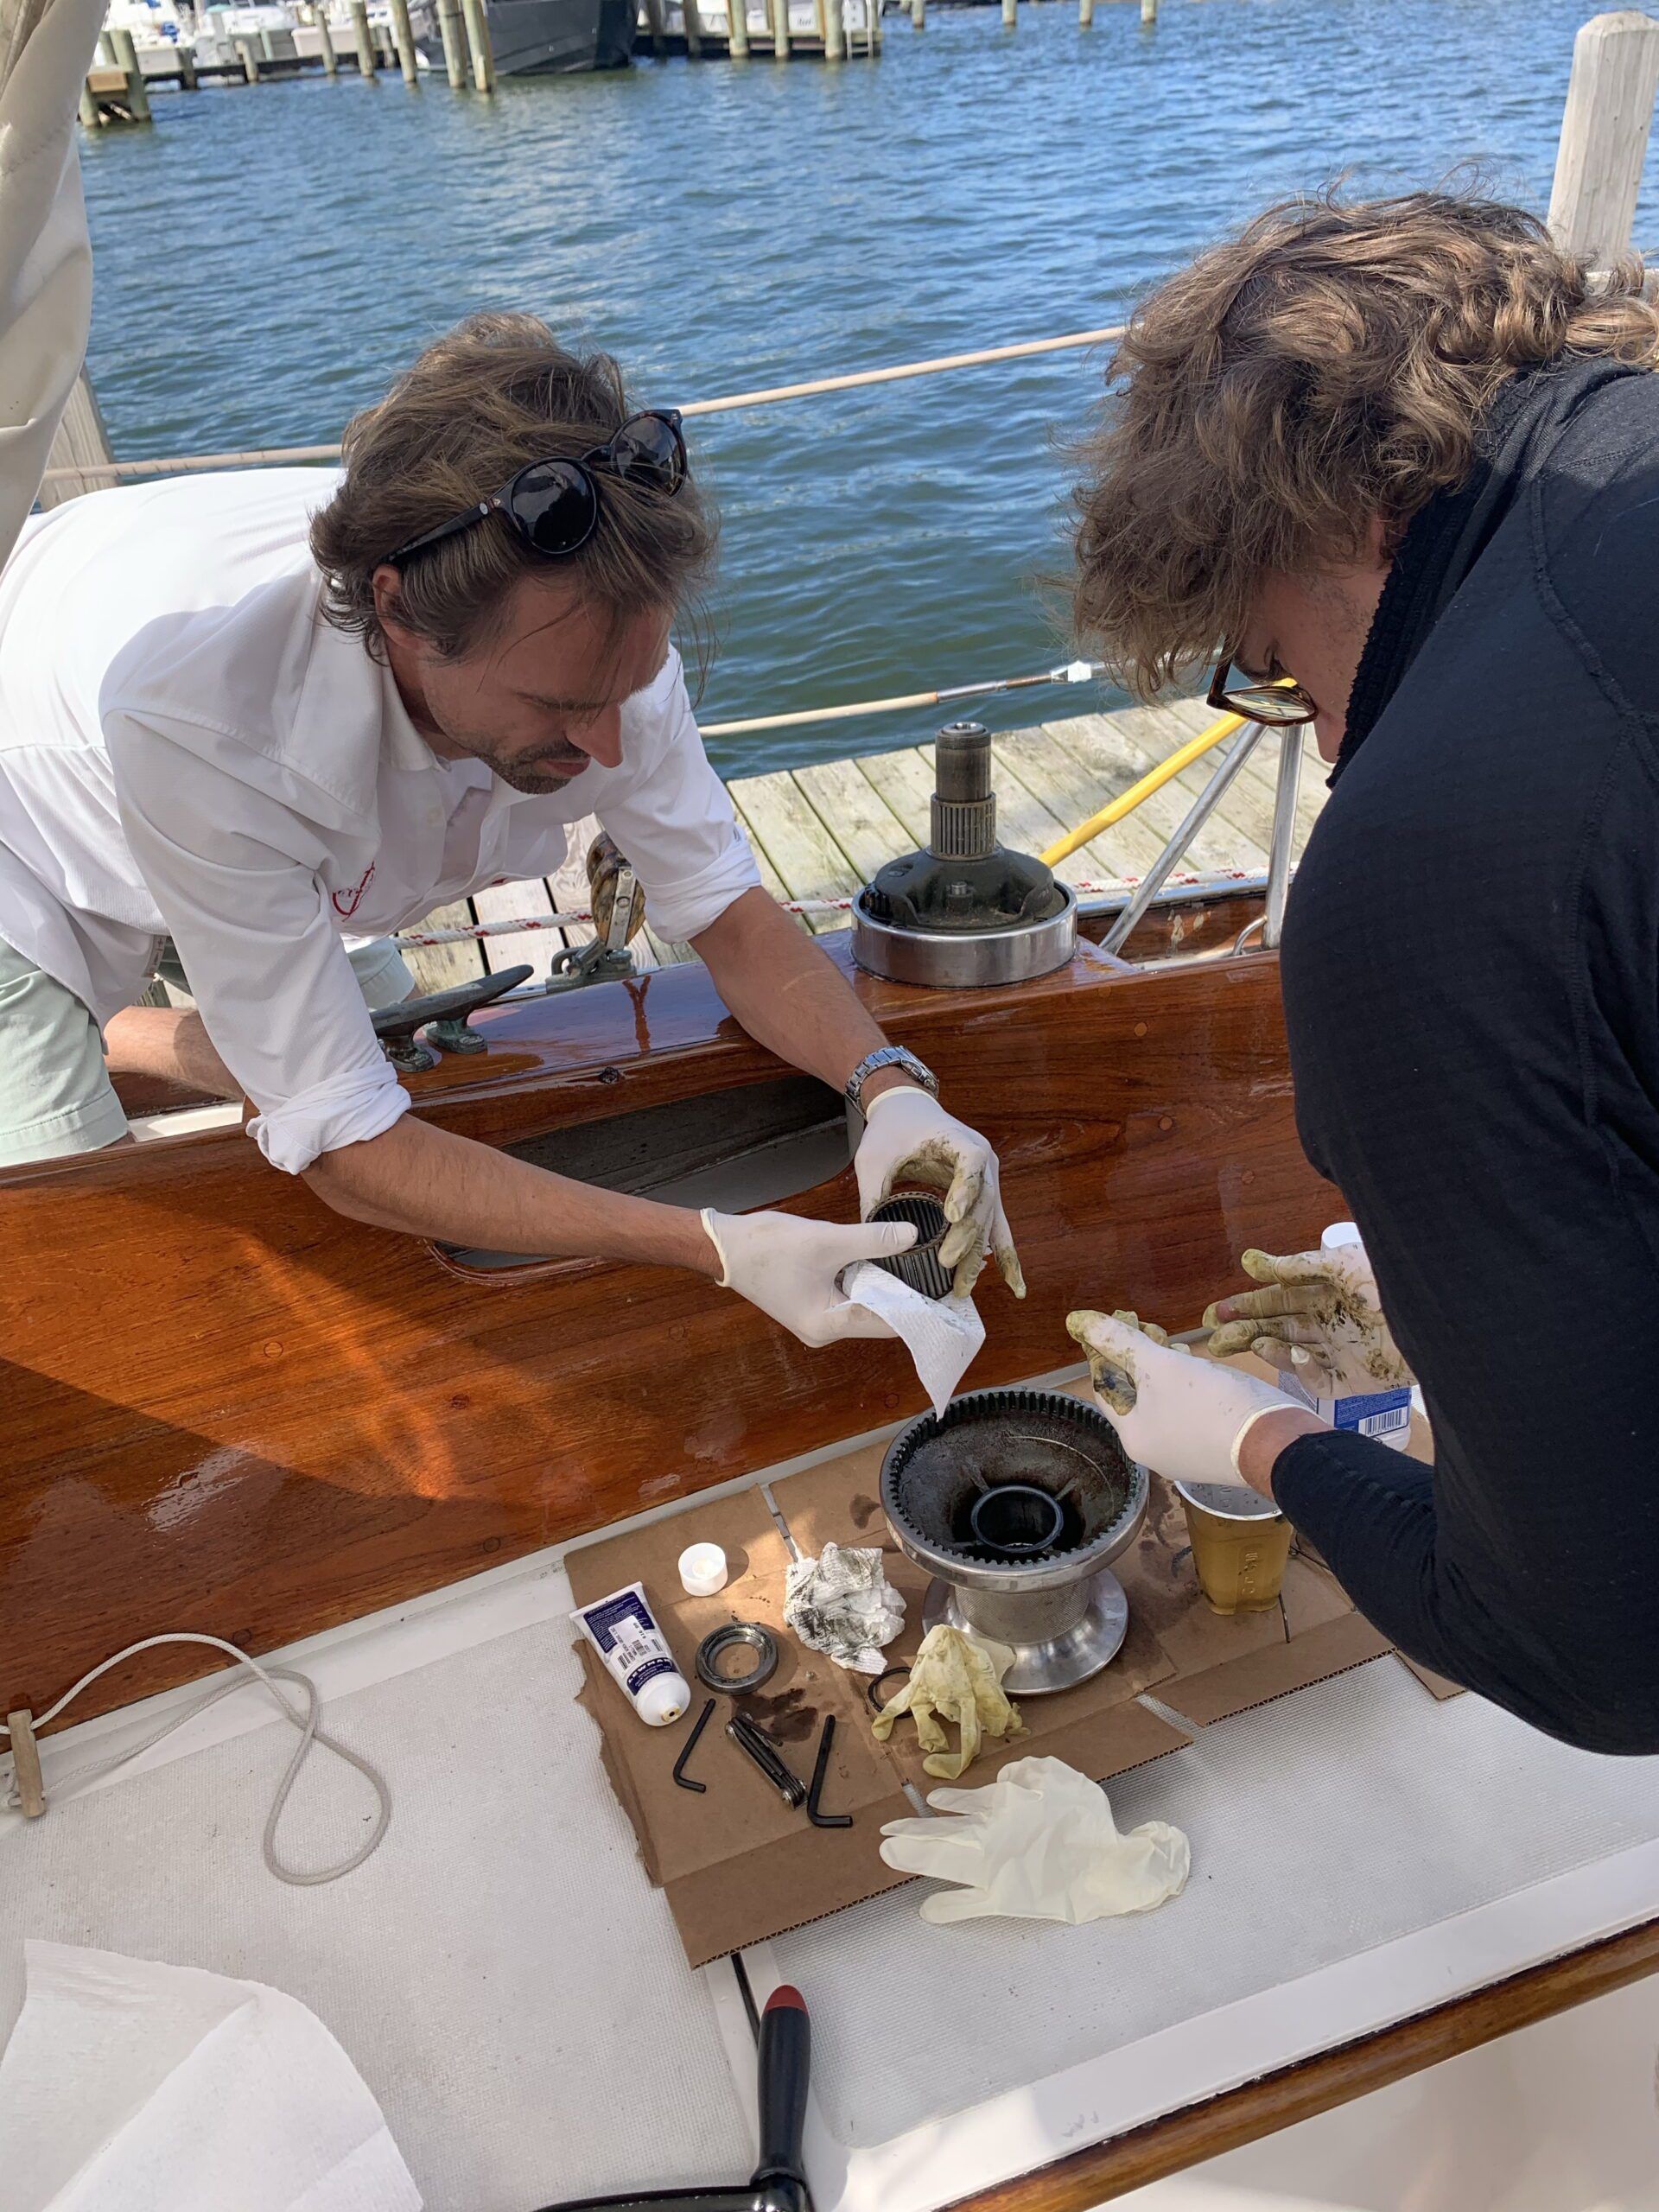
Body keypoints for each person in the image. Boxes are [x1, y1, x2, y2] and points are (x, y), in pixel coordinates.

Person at [0, 312, 1020, 1347]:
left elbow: (722, 908)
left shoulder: (595, 636)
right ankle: (94, 1020)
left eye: (630, 688)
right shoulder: (214, 730)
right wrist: (718, 1246)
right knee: (79, 1259)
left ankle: (166, 1034)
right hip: (26, 831)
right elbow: (353, 1153)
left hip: (247, 817)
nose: (614, 747)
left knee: (389, 1079)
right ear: (399, 615)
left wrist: (889, 1087)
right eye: (565, 706)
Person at [1065, 190, 1659, 1755]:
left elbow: (1604, 1652)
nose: (1326, 739)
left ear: (1311, 522)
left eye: (1267, 661)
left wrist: (1264, 1442)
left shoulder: (1422, 863)